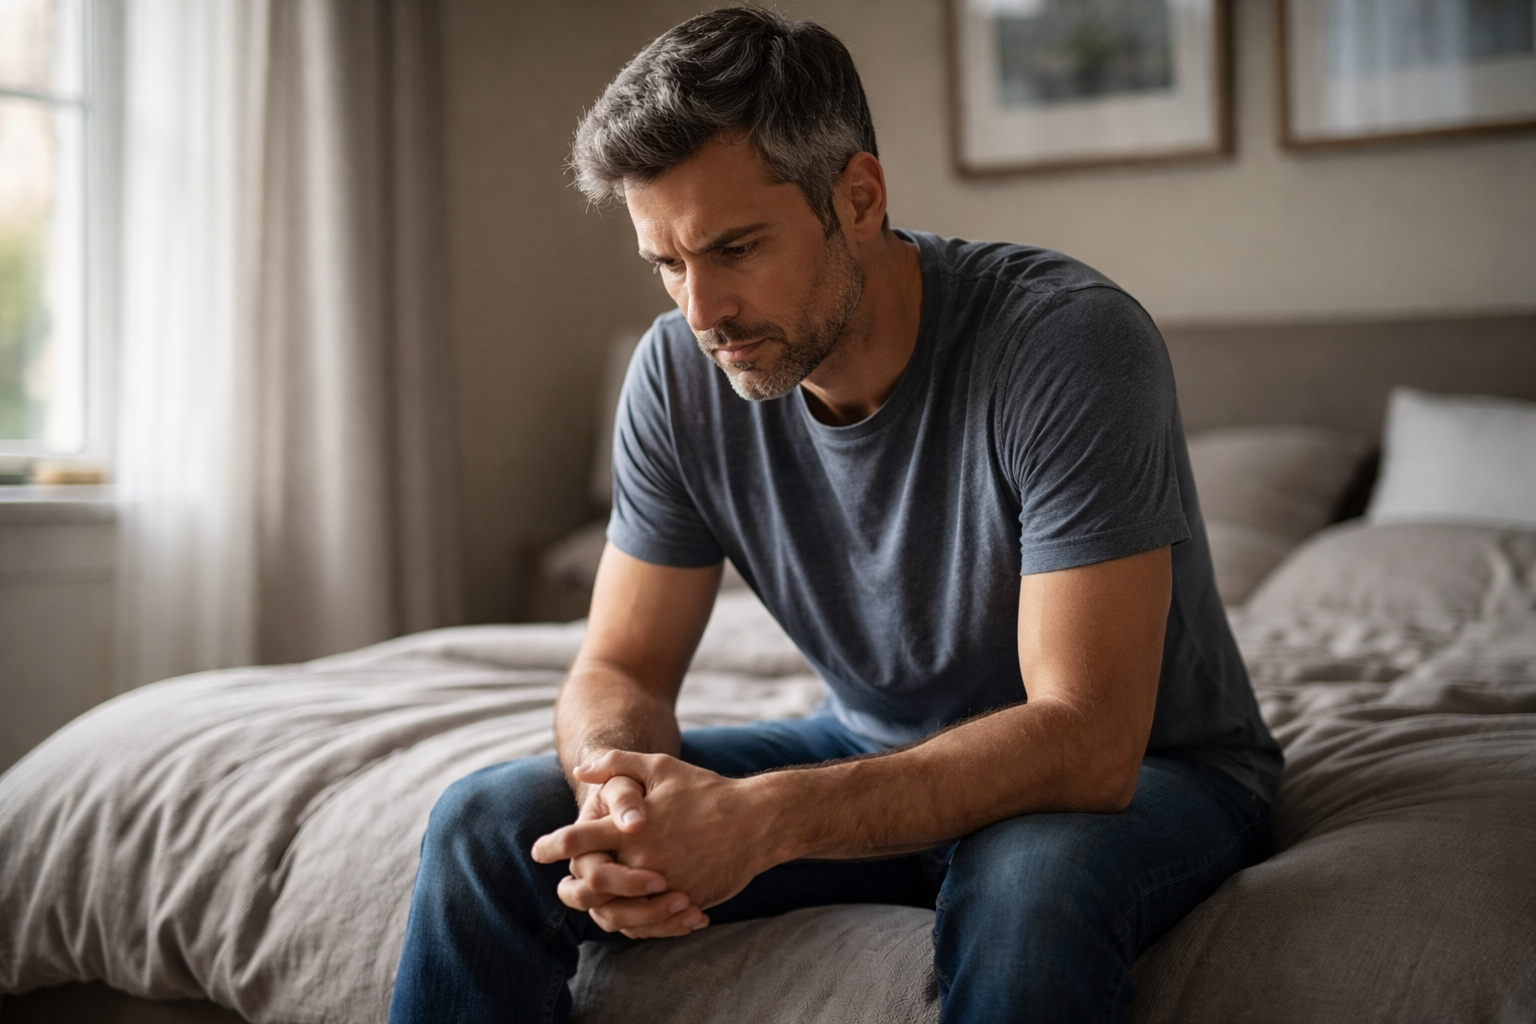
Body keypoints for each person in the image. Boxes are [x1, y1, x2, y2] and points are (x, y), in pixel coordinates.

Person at [388, 8, 1282, 1023]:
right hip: (868, 749)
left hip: (1142, 776)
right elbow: (621, 666)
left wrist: (763, 821)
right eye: (668, 263)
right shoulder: (678, 375)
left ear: (858, 196)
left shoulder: (1067, 345)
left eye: (736, 247)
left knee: (1032, 882)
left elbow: (1086, 739)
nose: (702, 311)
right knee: (485, 822)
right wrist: (619, 794)